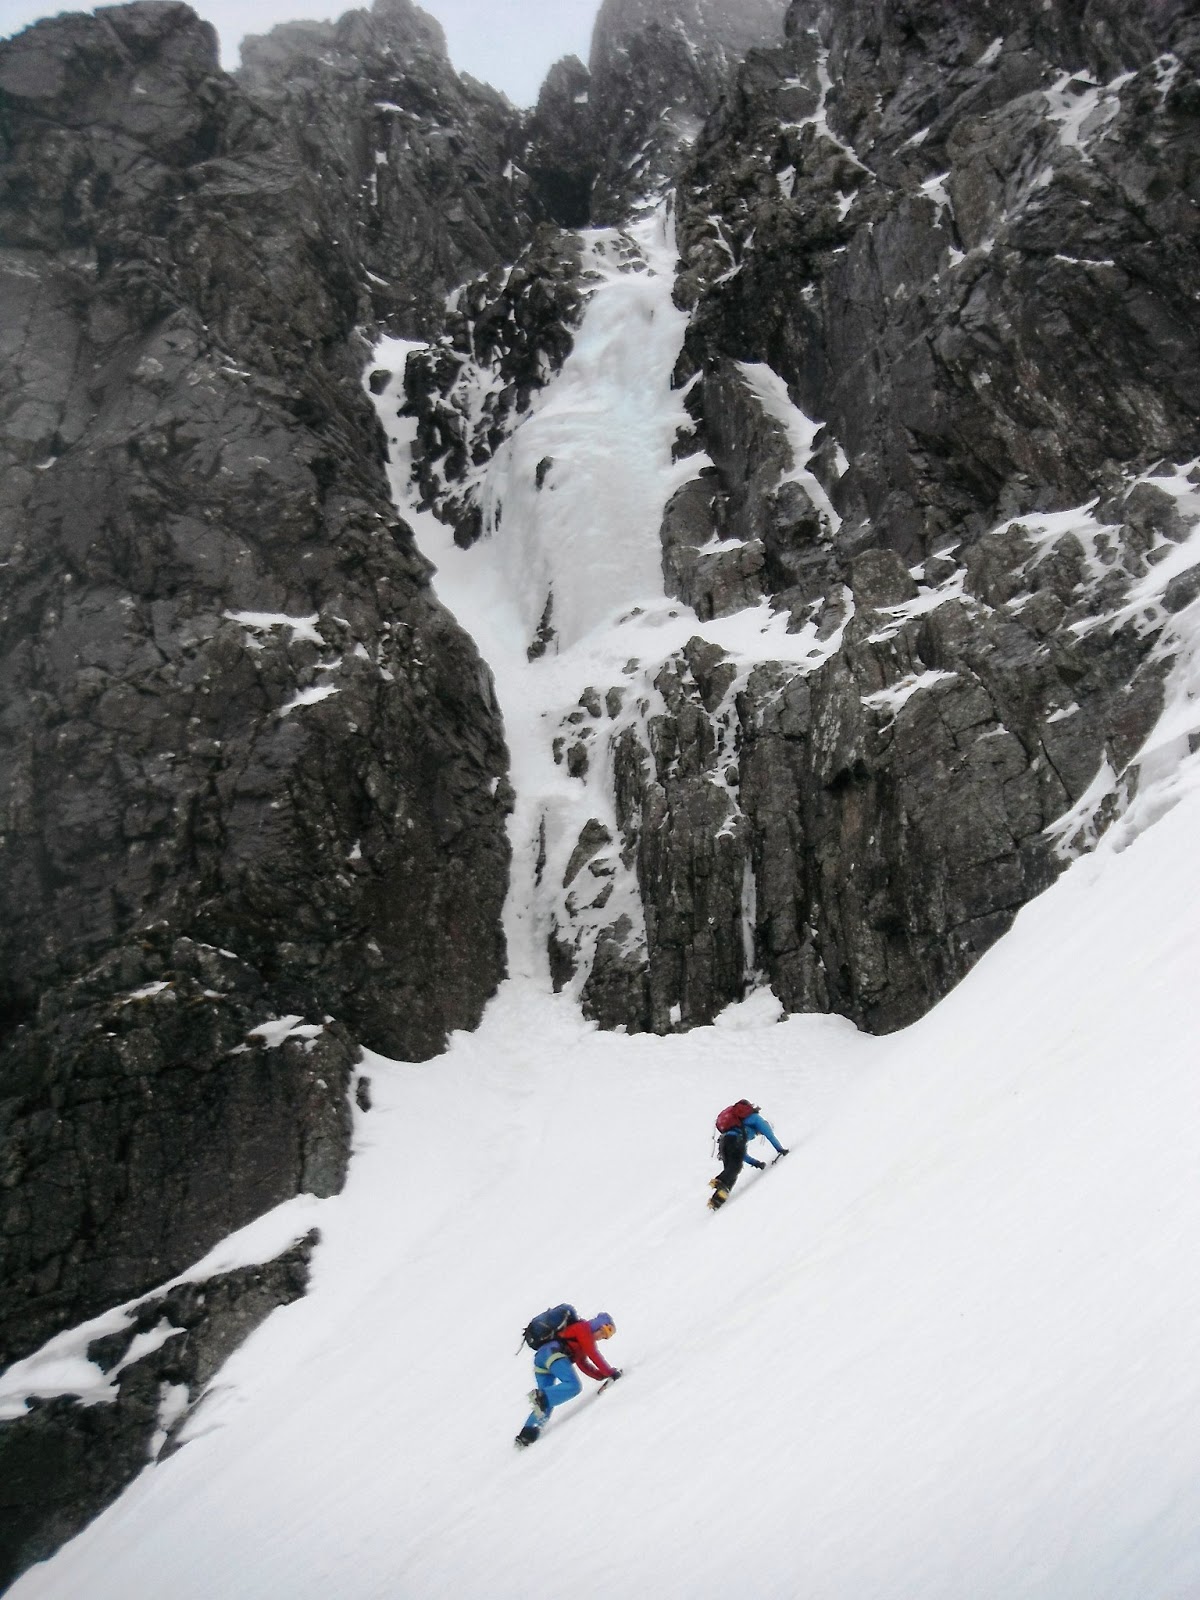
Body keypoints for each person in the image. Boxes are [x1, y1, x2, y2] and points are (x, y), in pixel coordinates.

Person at [515, 1312, 621, 1446]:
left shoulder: (582, 1340)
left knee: (546, 1402)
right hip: (552, 1354)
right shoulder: (583, 1329)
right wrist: (611, 1372)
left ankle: (527, 1435)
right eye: (603, 1332)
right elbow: (593, 1354)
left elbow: (583, 1364)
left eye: (605, 1337)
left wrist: (602, 1375)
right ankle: (540, 1396)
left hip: (542, 1361)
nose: (601, 1337)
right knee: (573, 1386)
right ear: (598, 1326)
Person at [709, 1102, 787, 1210]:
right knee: (735, 1168)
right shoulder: (759, 1121)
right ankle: (719, 1180)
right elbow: (770, 1135)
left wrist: (756, 1163)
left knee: (732, 1171)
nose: (759, 1134)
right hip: (734, 1140)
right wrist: (780, 1149)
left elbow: (742, 1155)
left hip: (724, 1143)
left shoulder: (743, 1127)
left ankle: (716, 1201)